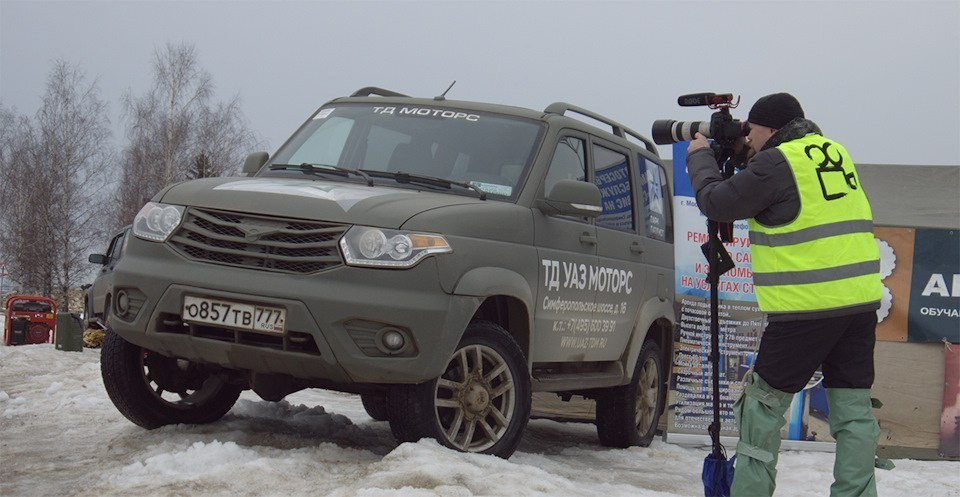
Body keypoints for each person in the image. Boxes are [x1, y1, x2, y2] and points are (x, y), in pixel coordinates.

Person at [686, 93, 882, 497]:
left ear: (771, 129)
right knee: (853, 414)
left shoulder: (778, 162)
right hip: (858, 305)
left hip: (806, 309)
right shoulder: (832, 153)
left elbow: (717, 202)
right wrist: (745, 157)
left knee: (761, 409)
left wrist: (700, 156)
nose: (748, 138)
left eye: (751, 130)